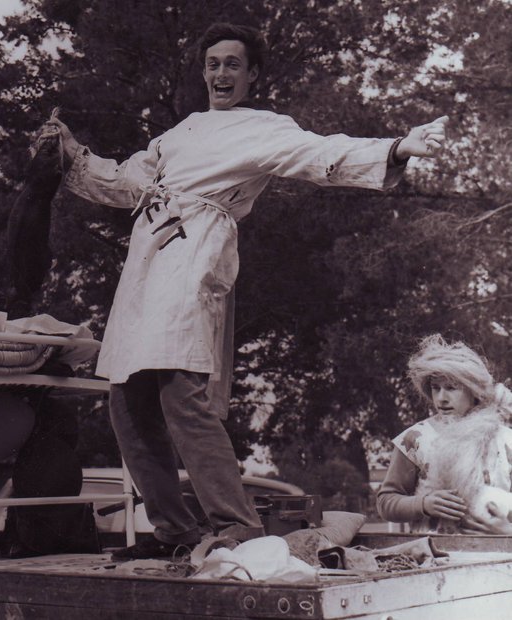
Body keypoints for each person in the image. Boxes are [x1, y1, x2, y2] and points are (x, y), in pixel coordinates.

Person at [40, 22, 450, 560]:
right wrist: (70, 153)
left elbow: (317, 153)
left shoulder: (262, 127)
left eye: (233, 64)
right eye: (213, 64)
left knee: (180, 391)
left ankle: (235, 523)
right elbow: (122, 182)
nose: (221, 74)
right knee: (126, 400)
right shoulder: (178, 133)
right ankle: (175, 532)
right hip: (145, 262)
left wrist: (396, 148)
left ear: (252, 74)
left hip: (196, 253)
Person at [377, 334, 512, 533]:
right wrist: (423, 504)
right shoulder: (415, 439)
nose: (441, 398)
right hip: (435, 558)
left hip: (498, 558)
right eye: (435, 388)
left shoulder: (505, 439)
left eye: (451, 388)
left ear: (473, 390)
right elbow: (386, 502)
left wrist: (507, 531)